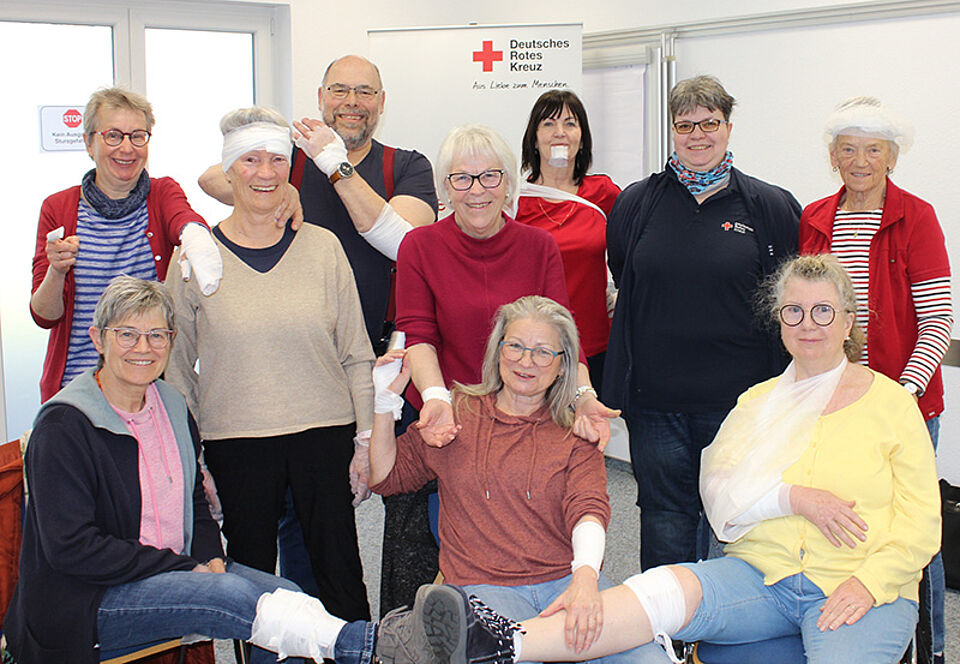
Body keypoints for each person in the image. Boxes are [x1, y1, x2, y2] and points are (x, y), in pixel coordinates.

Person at [403, 254, 941, 664]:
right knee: (660, 587)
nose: (808, 323)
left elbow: (922, 524)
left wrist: (869, 583)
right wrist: (792, 498)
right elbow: (719, 494)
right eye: (793, 310)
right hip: (765, 576)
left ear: (849, 320)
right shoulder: (757, 404)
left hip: (863, 584)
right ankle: (496, 645)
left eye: (823, 310)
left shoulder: (892, 404)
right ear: (779, 322)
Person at [3, 275, 463, 664]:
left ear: (170, 342)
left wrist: (210, 557)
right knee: (226, 597)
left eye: (157, 335)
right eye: (127, 334)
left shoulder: (170, 404)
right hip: (87, 603)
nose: (143, 348)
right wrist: (186, 569)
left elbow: (195, 504)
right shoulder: (64, 424)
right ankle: (377, 647)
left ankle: (372, 645)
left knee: (285, 591)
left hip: (170, 571)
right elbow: (71, 549)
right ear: (98, 338)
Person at [198, 55, 438, 600]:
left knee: (395, 517)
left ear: (381, 101)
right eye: (340, 90)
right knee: (288, 526)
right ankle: (299, 637)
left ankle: (397, 631)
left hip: (384, 367)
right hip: (296, 370)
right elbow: (215, 174)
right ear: (320, 96)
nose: (352, 101)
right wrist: (278, 185)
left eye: (365, 91)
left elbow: (406, 241)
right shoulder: (291, 159)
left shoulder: (407, 165)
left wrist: (334, 166)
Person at [383, 124, 617, 615]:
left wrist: (582, 395)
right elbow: (418, 335)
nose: (477, 191)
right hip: (442, 413)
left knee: (518, 531)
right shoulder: (420, 246)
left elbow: (561, 337)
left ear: (509, 184)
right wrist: (439, 402)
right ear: (445, 188)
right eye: (462, 178)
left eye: (489, 176)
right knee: (414, 562)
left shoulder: (538, 246)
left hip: (524, 413)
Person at [368, 296, 668, 664]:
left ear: (563, 367)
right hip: (482, 585)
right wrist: (384, 406)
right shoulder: (457, 412)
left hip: (566, 580)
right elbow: (386, 478)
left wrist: (586, 579)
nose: (526, 362)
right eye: (515, 347)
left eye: (543, 352)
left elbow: (588, 509)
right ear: (498, 352)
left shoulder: (576, 429)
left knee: (649, 659)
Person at [164, 107, 375, 622]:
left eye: (276, 160)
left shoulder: (323, 248)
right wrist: (194, 464)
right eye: (250, 160)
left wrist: (366, 442)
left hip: (323, 436)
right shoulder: (194, 258)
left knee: (339, 577)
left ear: (291, 169)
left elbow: (356, 353)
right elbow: (175, 371)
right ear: (229, 171)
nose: (264, 173)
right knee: (251, 590)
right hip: (237, 442)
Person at [603, 75, 800, 570]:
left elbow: (786, 293)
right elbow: (624, 272)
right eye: (685, 124)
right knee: (667, 519)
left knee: (736, 523)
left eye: (709, 122)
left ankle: (723, 636)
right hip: (656, 406)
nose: (698, 134)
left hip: (739, 405)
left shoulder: (770, 206)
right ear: (672, 130)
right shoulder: (635, 204)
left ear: (728, 128)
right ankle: (671, 637)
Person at [799, 96, 952, 664]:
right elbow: (806, 314)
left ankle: (930, 649)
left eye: (873, 149)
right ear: (833, 157)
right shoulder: (815, 217)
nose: (859, 160)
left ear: (892, 157)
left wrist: (901, 395)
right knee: (843, 521)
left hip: (904, 404)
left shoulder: (917, 216)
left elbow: (936, 317)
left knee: (913, 535)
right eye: (848, 149)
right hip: (831, 401)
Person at [30, 87, 221, 403]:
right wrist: (57, 271)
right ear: (89, 143)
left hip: (149, 389)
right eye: (113, 136)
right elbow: (44, 316)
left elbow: (184, 220)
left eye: (138, 136)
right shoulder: (58, 208)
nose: (127, 148)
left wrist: (196, 237)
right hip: (77, 392)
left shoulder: (161, 194)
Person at [516, 90, 621, 392]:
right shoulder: (513, 203)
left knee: (588, 436)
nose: (560, 132)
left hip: (594, 344)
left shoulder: (604, 194)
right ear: (534, 138)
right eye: (548, 124)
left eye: (570, 123)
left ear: (582, 137)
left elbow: (631, 257)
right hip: (532, 350)